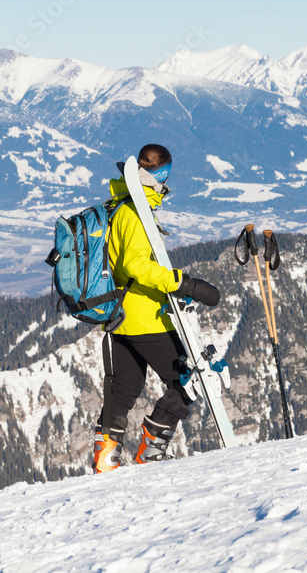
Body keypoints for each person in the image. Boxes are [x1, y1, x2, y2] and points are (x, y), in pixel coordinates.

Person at [93, 144, 221, 473]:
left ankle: (105, 457)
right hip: (145, 317)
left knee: (123, 390)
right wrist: (183, 283)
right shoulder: (136, 213)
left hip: (119, 317)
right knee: (189, 380)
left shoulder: (119, 206)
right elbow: (137, 265)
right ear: (161, 175)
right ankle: (152, 449)